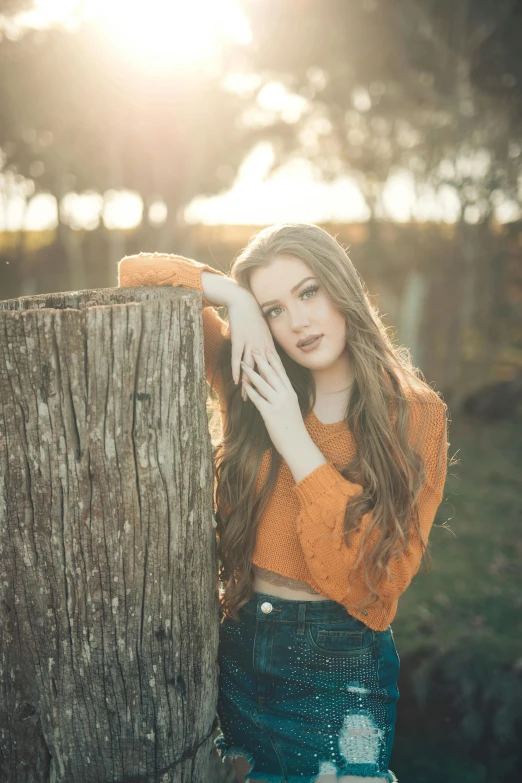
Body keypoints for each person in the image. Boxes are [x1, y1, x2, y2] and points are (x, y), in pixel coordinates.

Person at [118, 222, 449, 783]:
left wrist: (293, 437)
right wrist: (235, 299)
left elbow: (372, 580)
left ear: (342, 287)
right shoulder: (252, 371)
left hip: (337, 668)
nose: (296, 322)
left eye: (308, 292)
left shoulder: (412, 413)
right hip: (233, 649)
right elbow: (134, 274)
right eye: (274, 308)